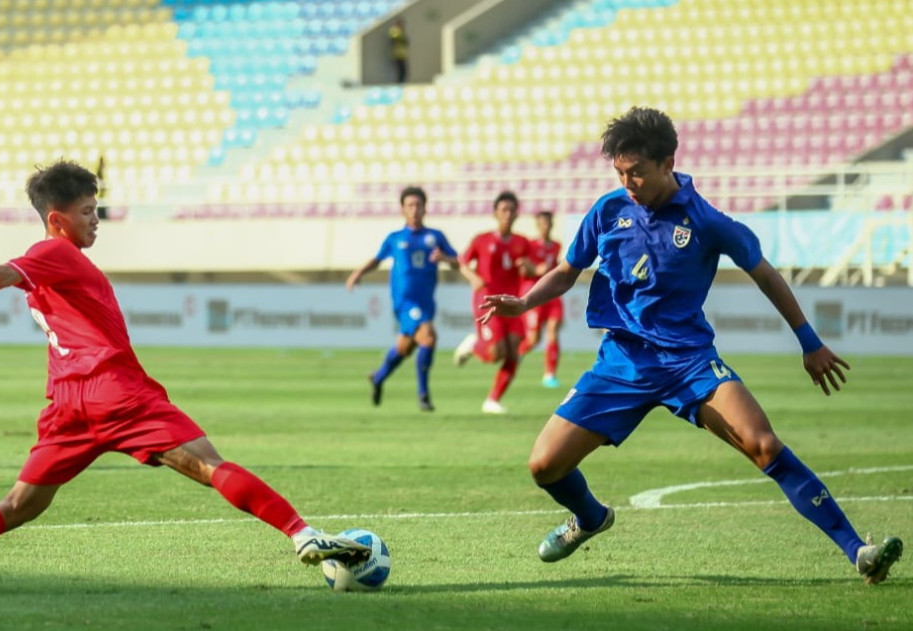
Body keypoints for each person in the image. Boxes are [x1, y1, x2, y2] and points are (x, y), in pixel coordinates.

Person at [0, 161, 370, 593]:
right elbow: (2, 272)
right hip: (114, 391)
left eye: (97, 208)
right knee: (211, 466)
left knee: (17, 504)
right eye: (88, 211)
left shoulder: (58, 266)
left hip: (67, 405)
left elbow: (20, 282)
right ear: (57, 219)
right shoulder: (55, 253)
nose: (97, 219)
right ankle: (301, 533)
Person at [480, 106, 903, 584]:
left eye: (636, 172)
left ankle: (859, 551)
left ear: (667, 162)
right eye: (620, 172)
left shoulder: (706, 220)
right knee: (543, 466)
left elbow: (764, 273)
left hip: (689, 364)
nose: (627, 182)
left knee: (764, 445)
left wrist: (809, 342)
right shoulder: (608, 211)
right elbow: (568, 269)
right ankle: (592, 517)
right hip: (622, 363)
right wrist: (525, 301)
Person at [346, 186, 459, 412]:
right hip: (405, 302)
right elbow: (377, 260)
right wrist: (358, 272)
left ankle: (378, 377)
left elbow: (458, 262)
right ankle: (423, 394)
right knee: (428, 337)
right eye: (410, 205)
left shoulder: (435, 237)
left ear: (425, 208)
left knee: (404, 348)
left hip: (426, 302)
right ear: (402, 209)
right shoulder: (395, 238)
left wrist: (444, 257)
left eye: (418, 205)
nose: (414, 210)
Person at [452, 191, 532, 414]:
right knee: (496, 353)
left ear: (517, 214)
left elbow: (534, 270)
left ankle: (493, 400)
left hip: (512, 303)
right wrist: (474, 277)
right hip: (487, 302)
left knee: (514, 352)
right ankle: (473, 344)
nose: (507, 214)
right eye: (503, 210)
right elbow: (462, 262)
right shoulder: (482, 240)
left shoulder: (523, 243)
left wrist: (529, 267)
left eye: (511, 210)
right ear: (495, 213)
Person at [517, 211, 564, 388]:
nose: (545, 226)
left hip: (551, 294)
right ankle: (514, 358)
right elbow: (523, 268)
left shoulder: (556, 246)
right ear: (538, 225)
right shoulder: (529, 245)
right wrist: (536, 269)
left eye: (548, 223)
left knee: (553, 330)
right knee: (533, 339)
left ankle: (550, 375)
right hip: (534, 293)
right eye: (542, 223)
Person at [388, 18, 409, 84]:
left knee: (404, 71)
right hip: (397, 54)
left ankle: (401, 82)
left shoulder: (402, 31)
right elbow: (393, 39)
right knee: (400, 70)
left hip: (402, 54)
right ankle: (399, 83)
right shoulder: (394, 30)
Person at [93, 153, 109, 221]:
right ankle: (102, 217)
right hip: (100, 193)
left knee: (102, 203)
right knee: (101, 203)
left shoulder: (101, 171)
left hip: (102, 193)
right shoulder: (99, 171)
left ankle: (103, 216)